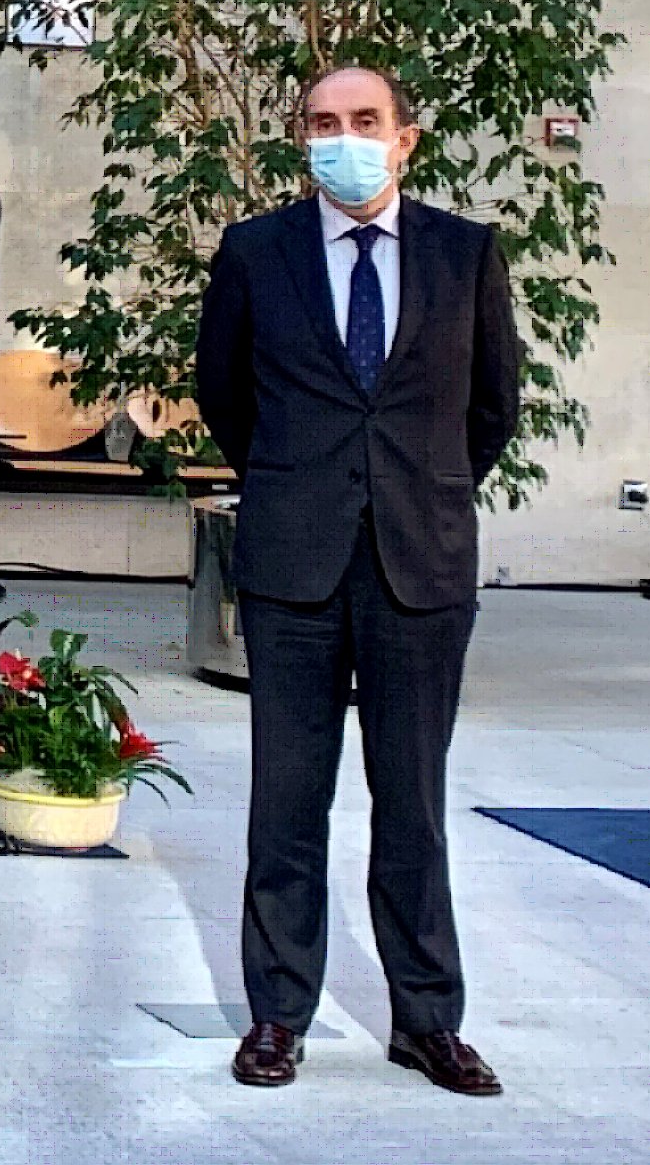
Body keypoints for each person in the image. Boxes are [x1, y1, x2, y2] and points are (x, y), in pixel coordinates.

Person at [196, 63, 520, 1098]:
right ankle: (277, 1016)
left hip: (420, 565)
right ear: (303, 138)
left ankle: (427, 1021)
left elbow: (492, 409)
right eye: (324, 122)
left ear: (405, 138)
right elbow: (225, 394)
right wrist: (300, 485)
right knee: (287, 802)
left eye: (365, 120)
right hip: (295, 562)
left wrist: (412, 489)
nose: (345, 137)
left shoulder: (466, 253)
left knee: (413, 803)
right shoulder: (257, 252)